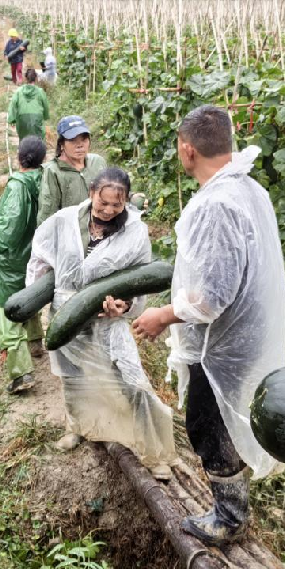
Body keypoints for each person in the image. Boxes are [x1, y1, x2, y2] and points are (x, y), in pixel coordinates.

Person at [132, 105, 285, 545]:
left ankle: (230, 518)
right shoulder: (248, 189)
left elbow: (211, 296)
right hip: (246, 333)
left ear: (187, 149)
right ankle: (232, 508)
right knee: (223, 418)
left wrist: (162, 315)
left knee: (206, 422)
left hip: (223, 342)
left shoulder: (217, 205)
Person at [27, 167, 179, 480]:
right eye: (102, 203)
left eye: (117, 205)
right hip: (64, 312)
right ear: (91, 193)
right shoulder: (64, 220)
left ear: (126, 202)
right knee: (72, 378)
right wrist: (39, 292)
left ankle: (152, 451)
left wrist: (124, 307)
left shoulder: (135, 233)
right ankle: (78, 428)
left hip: (108, 321)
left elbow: (139, 281)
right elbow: (40, 259)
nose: (108, 211)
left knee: (131, 382)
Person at [0, 136, 48, 394]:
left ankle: (21, 374)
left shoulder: (18, 185)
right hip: (35, 252)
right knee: (29, 294)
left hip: (14, 256)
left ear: (19, 157)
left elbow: (11, 225)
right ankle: (35, 341)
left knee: (6, 307)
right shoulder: (44, 178)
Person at [37, 116, 107, 225]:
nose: (80, 145)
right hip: (72, 234)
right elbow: (47, 213)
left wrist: (130, 197)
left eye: (83, 139)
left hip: (101, 229)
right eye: (73, 140)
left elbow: (112, 190)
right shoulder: (53, 171)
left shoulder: (98, 163)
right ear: (61, 144)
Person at [7, 68, 50, 142]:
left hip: (22, 119)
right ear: (36, 78)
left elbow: (13, 104)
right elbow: (45, 106)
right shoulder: (40, 91)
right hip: (36, 118)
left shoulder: (19, 91)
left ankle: (24, 152)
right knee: (39, 140)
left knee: (24, 140)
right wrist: (46, 116)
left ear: (25, 78)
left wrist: (12, 119)